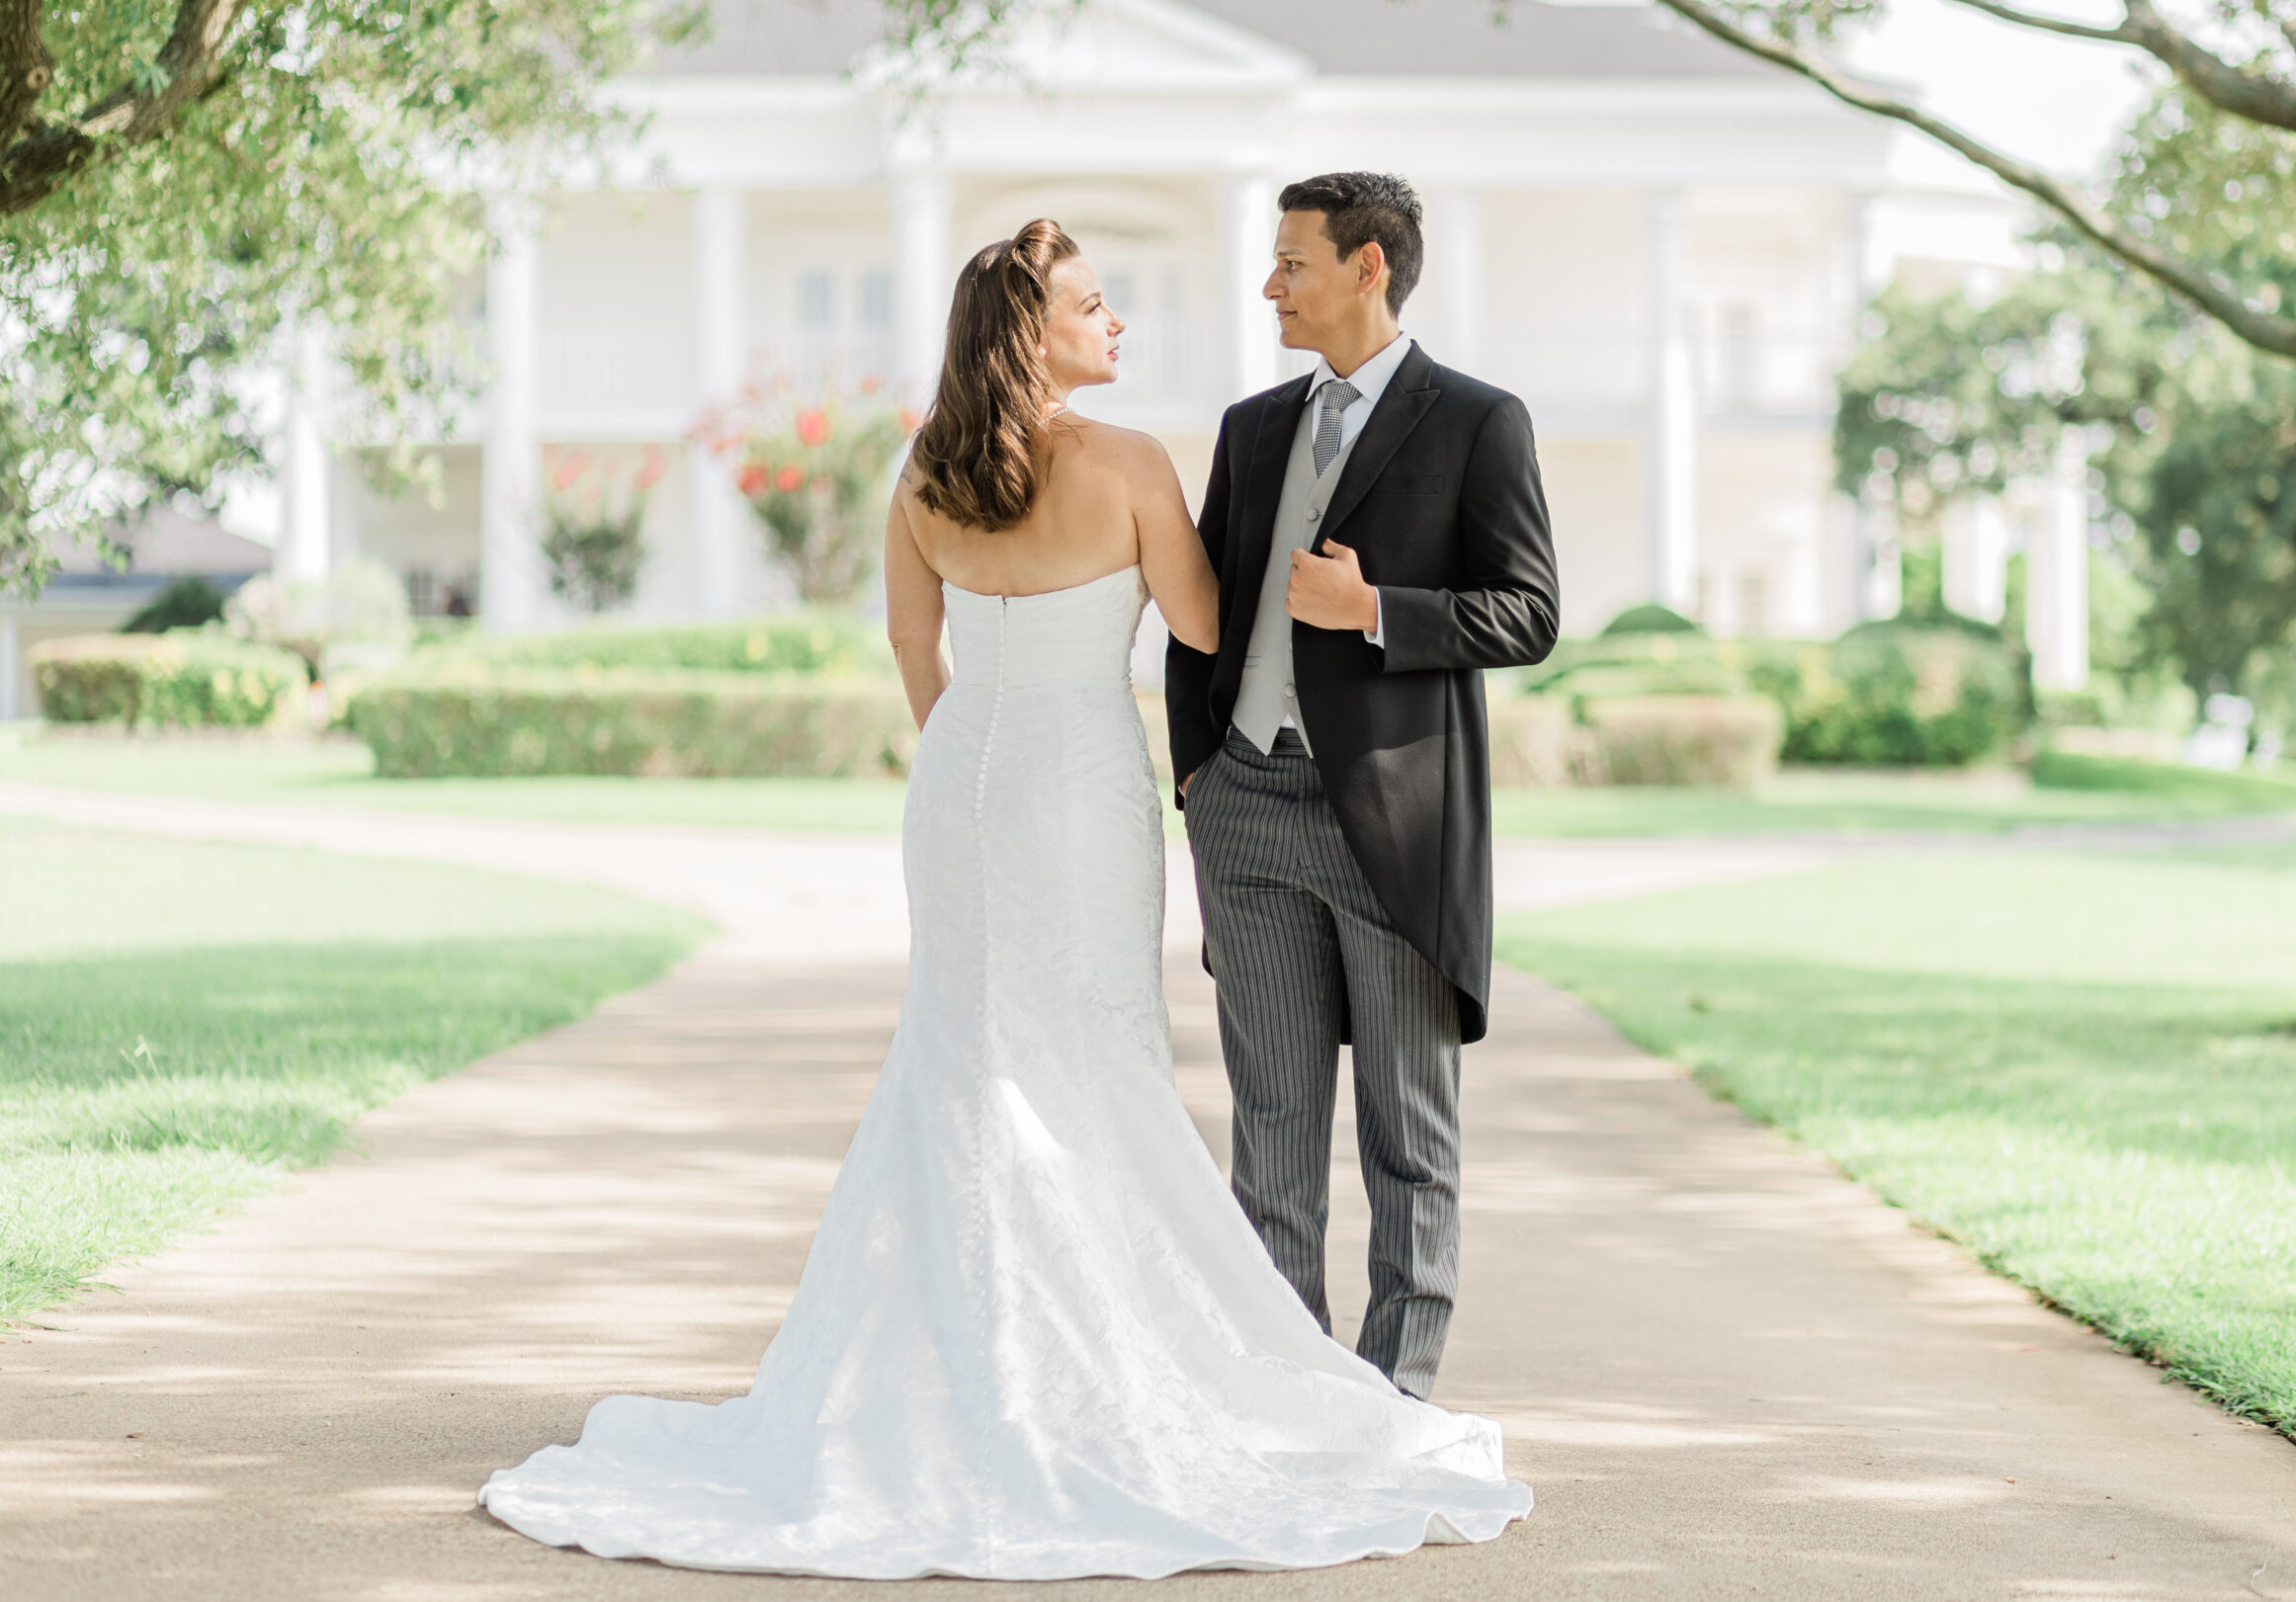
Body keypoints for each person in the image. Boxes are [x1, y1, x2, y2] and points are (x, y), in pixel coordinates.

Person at [476, 218, 1532, 1580]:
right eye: (1095, 305)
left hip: (963, 781)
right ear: (1035, 332)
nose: (1117, 323)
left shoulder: (926, 468)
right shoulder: (1133, 463)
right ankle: (1095, 1367)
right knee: (1092, 1056)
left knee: (965, 1055)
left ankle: (951, 1352)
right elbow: (1211, 629)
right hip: (1083, 786)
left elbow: (918, 649)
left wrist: (969, 754)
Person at [1166, 172, 1561, 1402]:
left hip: (1392, 826)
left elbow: (1530, 612)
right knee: (1270, 1131)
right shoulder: (1251, 427)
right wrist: (1202, 775)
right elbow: (1203, 622)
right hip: (1246, 807)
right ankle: (1286, 1396)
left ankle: (1393, 1405)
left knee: (1408, 1132)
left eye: (1292, 261)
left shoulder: (1476, 421)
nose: (1271, 284)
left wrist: (1375, 609)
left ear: (1368, 266)